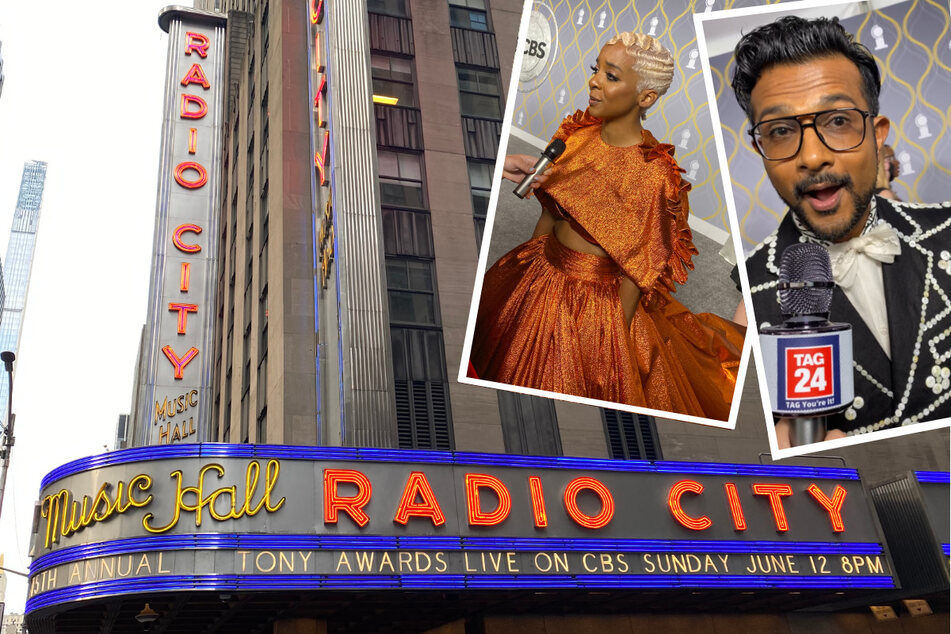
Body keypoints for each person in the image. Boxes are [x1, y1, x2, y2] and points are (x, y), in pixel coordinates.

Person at [470, 32, 744, 421]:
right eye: (594, 69)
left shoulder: (655, 177)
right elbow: (550, 213)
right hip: (540, 268)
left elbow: (640, 271)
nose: (594, 81)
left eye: (611, 76)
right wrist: (523, 274)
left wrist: (613, 339)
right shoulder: (576, 136)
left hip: (596, 301)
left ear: (645, 97)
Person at [731, 16, 951, 445]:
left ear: (876, 134)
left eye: (837, 121)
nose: (812, 156)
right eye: (780, 131)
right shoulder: (751, 310)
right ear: (760, 149)